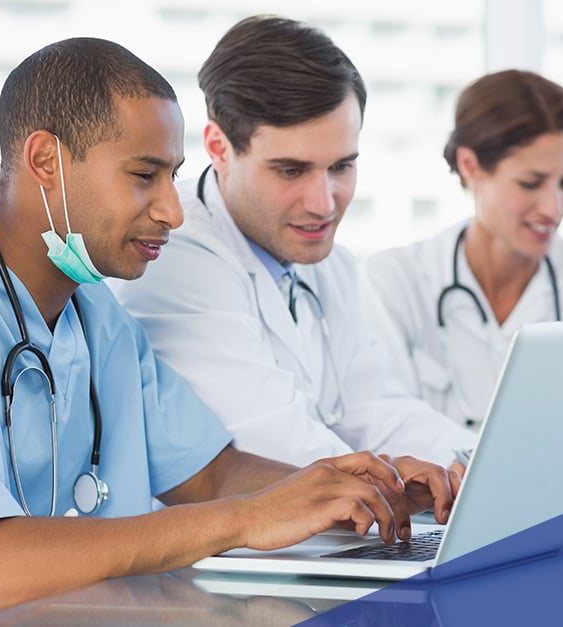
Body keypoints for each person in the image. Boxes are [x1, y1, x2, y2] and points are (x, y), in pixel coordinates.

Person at [0, 38, 457, 623]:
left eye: (173, 176)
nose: (172, 211)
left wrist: (357, 488)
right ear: (45, 161)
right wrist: (245, 519)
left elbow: (211, 473)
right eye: (145, 175)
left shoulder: (97, 313)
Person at [111, 16, 476, 468]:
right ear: (219, 148)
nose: (323, 204)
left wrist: (480, 461)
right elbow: (276, 446)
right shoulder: (172, 257)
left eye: (341, 167)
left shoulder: (330, 263)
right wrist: (407, 483)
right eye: (291, 170)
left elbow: (376, 411)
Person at [361, 69, 563, 437]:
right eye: (531, 183)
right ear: (470, 166)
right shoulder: (394, 283)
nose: (553, 207)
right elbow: (379, 429)